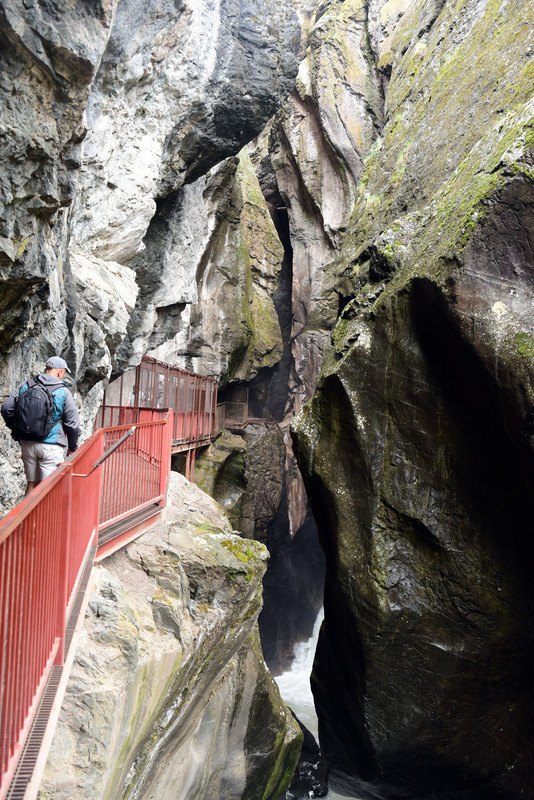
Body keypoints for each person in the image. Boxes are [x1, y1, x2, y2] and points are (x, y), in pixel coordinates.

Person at [1, 356, 80, 495]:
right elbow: (72, 423)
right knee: (48, 489)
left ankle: (28, 517)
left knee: (31, 484)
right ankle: (43, 517)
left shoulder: (27, 385)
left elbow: (6, 409)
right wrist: (72, 447)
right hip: (51, 446)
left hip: (27, 443)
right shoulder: (63, 392)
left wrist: (16, 430)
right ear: (60, 372)